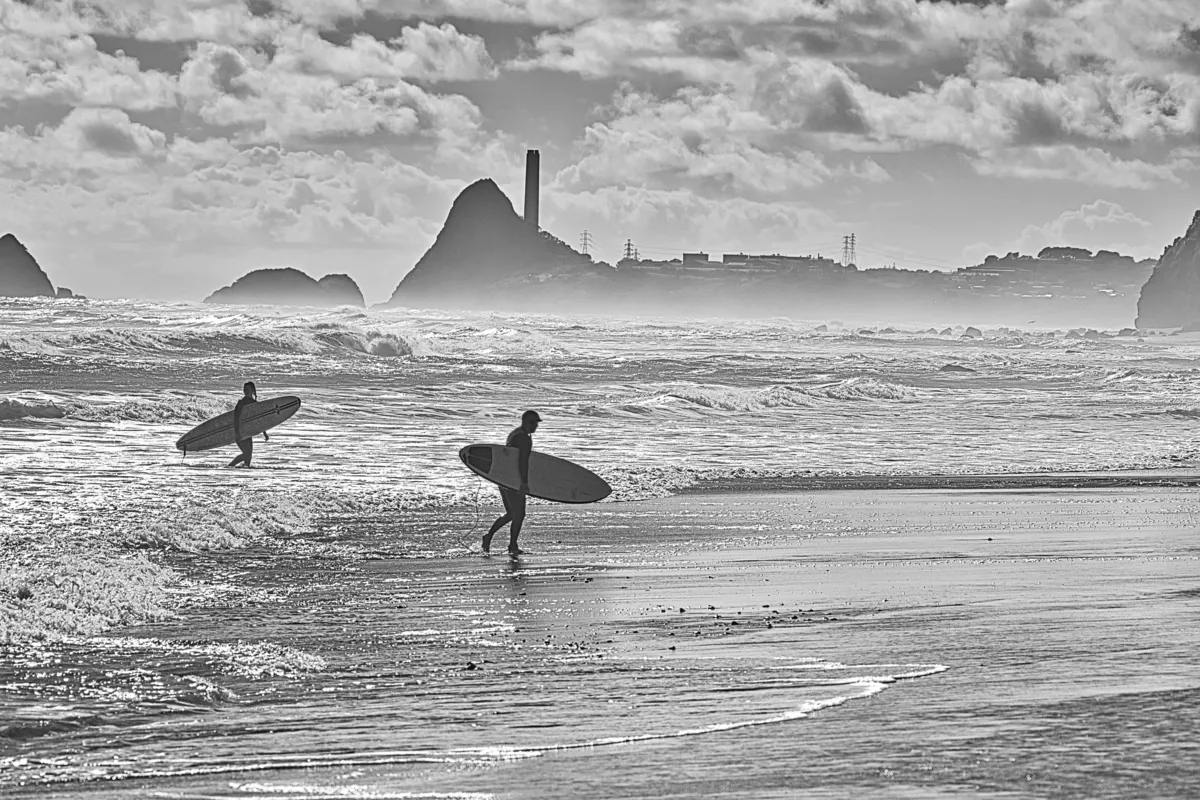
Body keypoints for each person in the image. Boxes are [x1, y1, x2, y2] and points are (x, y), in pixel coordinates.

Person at [483, 409, 541, 555]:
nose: (537, 426)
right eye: (535, 423)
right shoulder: (523, 438)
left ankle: (489, 536)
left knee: (511, 513)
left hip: (504, 478)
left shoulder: (515, 433)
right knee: (519, 514)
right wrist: (524, 482)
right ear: (528, 422)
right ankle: (512, 546)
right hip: (514, 481)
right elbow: (522, 461)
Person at [228, 381, 268, 468]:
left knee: (248, 458)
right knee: (247, 454)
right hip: (240, 432)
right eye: (244, 389)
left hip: (248, 433)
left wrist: (264, 433)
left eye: (247, 389)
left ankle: (243, 473)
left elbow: (259, 419)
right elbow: (236, 418)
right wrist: (237, 433)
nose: (245, 391)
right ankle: (230, 466)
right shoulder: (241, 403)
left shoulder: (255, 404)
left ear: (252, 390)